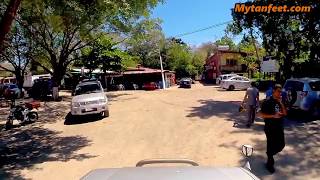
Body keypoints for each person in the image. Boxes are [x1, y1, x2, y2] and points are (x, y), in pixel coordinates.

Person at [258, 84, 287, 173]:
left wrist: (281, 103)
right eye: (278, 91)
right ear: (273, 91)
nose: (280, 93)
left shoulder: (280, 101)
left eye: (280, 92)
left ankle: (269, 154)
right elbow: (261, 114)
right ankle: (270, 164)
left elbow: (285, 114)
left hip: (279, 127)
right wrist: (273, 116)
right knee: (270, 146)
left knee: (281, 145)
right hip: (270, 128)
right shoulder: (267, 102)